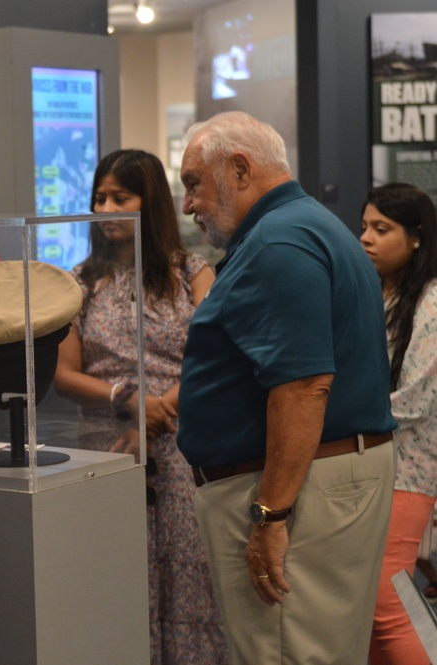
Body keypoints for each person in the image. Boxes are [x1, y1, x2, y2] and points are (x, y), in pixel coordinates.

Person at [177, 111, 396, 664]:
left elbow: (303, 387)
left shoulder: (277, 243)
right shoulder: (306, 226)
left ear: (242, 168)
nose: (188, 205)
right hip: (320, 480)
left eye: (194, 184)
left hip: (296, 493)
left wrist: (271, 514)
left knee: (289, 652)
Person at [53, 149, 226, 664]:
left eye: (119, 198)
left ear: (148, 204)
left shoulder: (193, 274)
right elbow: (63, 375)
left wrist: (154, 414)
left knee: (187, 579)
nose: (106, 209)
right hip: (105, 446)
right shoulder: (79, 281)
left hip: (181, 448)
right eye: (99, 198)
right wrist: (126, 400)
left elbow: (209, 361)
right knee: (114, 573)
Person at [361, 183, 437, 665]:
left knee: (389, 598)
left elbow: (417, 399)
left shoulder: (430, 301)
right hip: (369, 464)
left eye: (381, 229)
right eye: (364, 226)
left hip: (407, 470)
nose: (365, 238)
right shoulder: (377, 295)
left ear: (417, 238)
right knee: (365, 601)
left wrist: (343, 418)